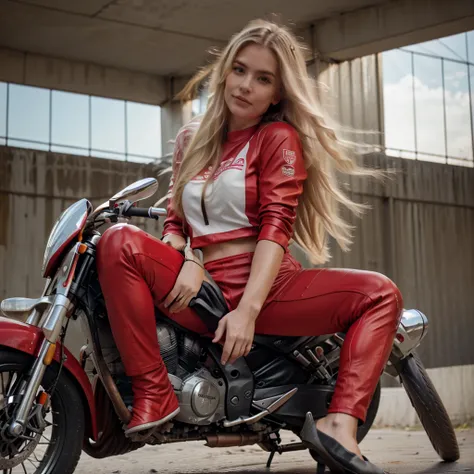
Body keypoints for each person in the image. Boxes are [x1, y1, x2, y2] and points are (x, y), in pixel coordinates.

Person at [97, 19, 401, 474]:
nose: (245, 86)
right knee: (117, 240)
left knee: (381, 293)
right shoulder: (190, 140)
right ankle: (153, 391)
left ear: (278, 93)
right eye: (239, 70)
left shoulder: (276, 139)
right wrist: (185, 258)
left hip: (266, 288)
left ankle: (341, 425)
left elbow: (275, 227)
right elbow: (175, 221)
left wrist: (248, 311)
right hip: (201, 291)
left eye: (263, 79)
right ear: (224, 72)